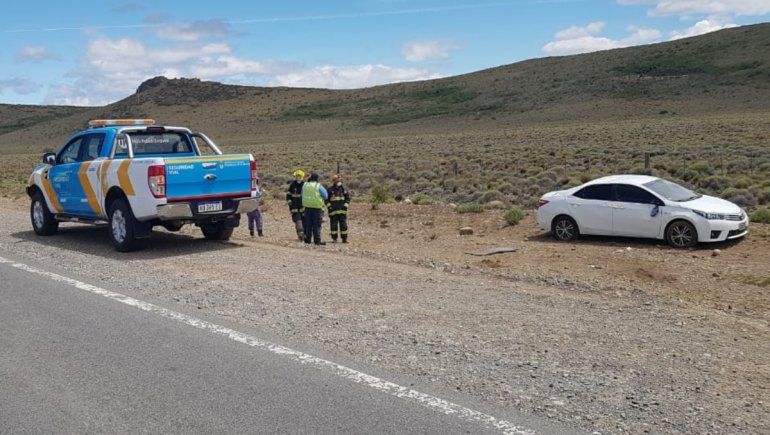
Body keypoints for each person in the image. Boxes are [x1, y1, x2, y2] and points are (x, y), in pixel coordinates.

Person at [301, 173, 328, 245]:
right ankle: (317, 241)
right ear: (317, 179)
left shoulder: (305, 185)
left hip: (307, 207)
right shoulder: (318, 186)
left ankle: (308, 240)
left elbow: (302, 194)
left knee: (308, 224)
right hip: (317, 208)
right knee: (316, 225)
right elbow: (325, 196)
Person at [326, 174, 351, 243]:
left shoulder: (343, 189)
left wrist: (345, 206)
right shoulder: (330, 190)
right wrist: (329, 207)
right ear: (334, 181)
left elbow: (348, 199)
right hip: (333, 212)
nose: (337, 180)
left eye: (338, 179)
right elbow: (326, 199)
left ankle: (344, 239)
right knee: (333, 226)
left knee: (343, 226)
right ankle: (334, 239)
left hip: (342, 211)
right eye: (336, 179)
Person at [286, 169, 306, 241]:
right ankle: (300, 236)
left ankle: (305, 235)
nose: (298, 178)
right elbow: (288, 195)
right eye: (297, 176)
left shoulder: (304, 185)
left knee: (304, 222)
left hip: (303, 207)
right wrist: (290, 202)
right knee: (298, 221)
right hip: (294, 208)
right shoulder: (292, 185)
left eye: (299, 176)